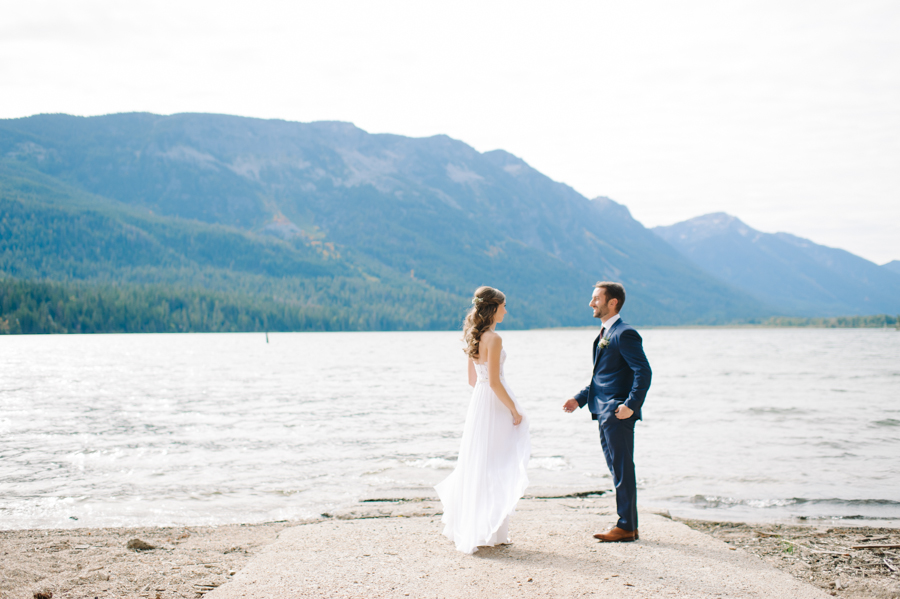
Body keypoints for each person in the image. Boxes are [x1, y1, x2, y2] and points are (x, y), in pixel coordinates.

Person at [435, 286, 531, 554]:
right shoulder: (494, 338)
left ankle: (477, 527)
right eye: (503, 306)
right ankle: (491, 530)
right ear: (493, 308)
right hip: (493, 402)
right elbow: (495, 382)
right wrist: (513, 409)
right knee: (498, 463)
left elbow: (472, 380)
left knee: (478, 462)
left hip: (479, 404)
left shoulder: (474, 336)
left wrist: (485, 402)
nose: (506, 310)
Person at [563, 281, 651, 542]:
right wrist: (579, 399)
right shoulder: (604, 334)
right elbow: (603, 377)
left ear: (612, 302)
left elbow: (643, 372)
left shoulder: (625, 333)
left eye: (596, 299)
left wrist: (630, 405)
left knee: (622, 469)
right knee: (617, 468)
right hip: (603, 411)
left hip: (617, 412)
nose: (591, 303)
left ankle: (625, 526)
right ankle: (629, 526)